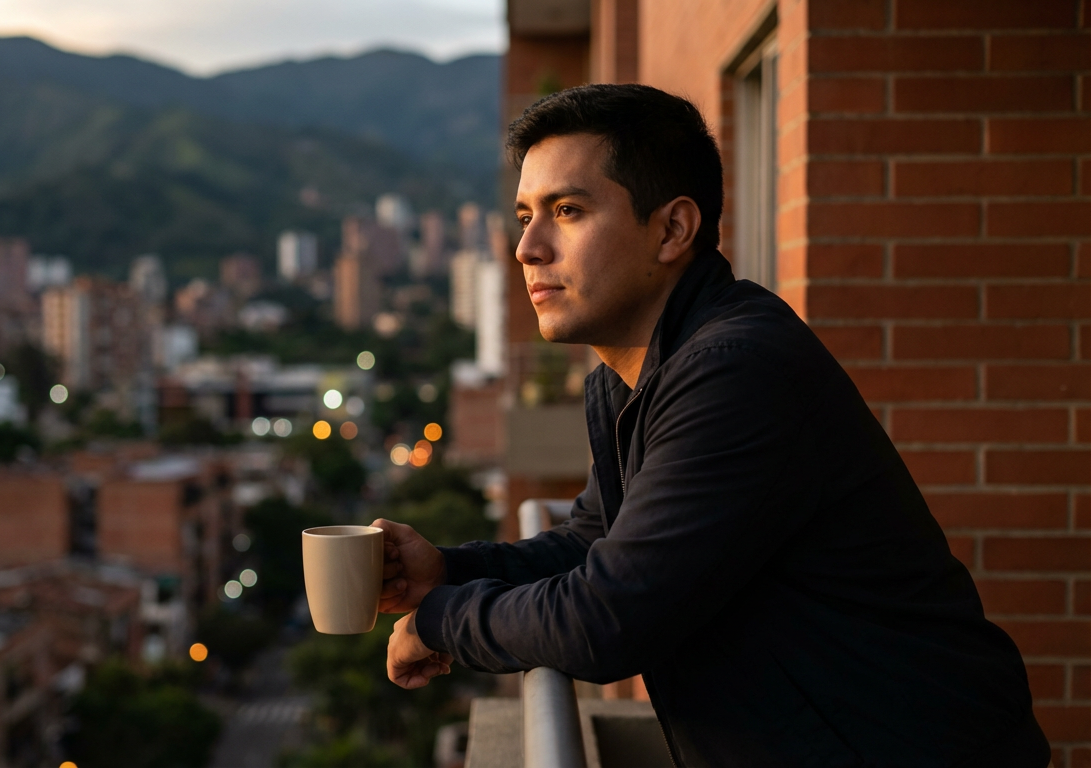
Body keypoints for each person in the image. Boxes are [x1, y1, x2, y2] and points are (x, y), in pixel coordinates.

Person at [373, 84, 1049, 767]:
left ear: (672, 229)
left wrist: (443, 621)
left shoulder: (735, 372)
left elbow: (608, 619)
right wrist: (450, 568)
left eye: (567, 211)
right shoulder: (631, 374)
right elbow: (596, 542)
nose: (527, 248)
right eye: (524, 216)